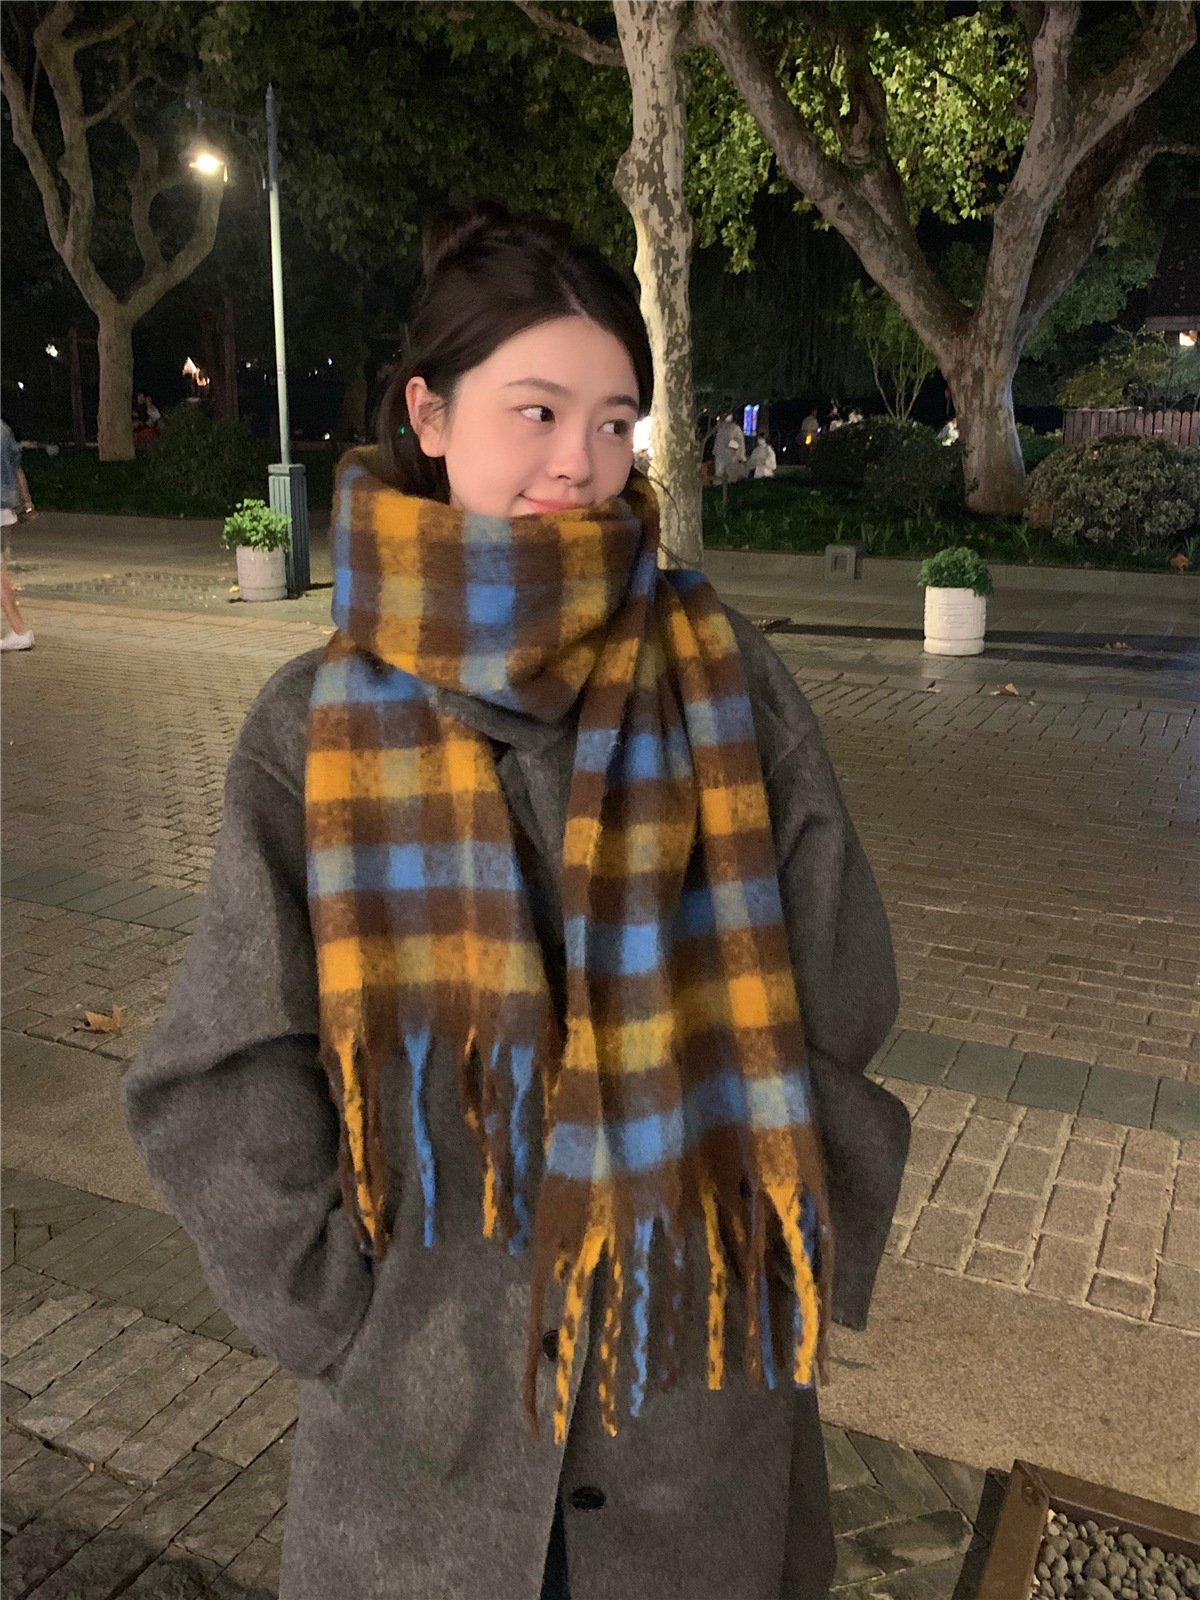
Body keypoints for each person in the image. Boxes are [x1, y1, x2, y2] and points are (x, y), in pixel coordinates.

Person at [123, 204, 908, 1600]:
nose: (580, 463)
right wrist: (348, 1320)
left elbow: (840, 983)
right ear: (430, 413)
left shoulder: (724, 678)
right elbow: (219, 1071)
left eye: (615, 422)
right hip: (423, 1434)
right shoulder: (315, 726)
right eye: (537, 410)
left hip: (684, 1394)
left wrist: (734, 1208)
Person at [1, 419, 35, 651]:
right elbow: (16, 468)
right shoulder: (3, 429)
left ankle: (19, 630)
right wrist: (26, 503)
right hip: (5, 508)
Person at [712, 410, 747, 484]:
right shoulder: (720, 428)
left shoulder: (735, 428)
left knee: (731, 475)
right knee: (719, 474)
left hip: (731, 456)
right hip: (720, 455)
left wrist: (741, 455)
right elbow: (718, 442)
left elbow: (740, 443)